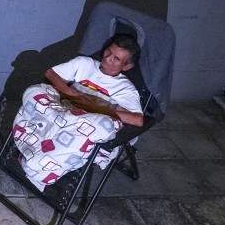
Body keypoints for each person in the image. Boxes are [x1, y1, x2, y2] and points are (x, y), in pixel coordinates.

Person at [12, 34, 143, 190]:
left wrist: (99, 108)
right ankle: (32, 148)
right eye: (109, 51)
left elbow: (138, 120)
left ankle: (36, 165)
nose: (108, 58)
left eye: (116, 59)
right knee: (34, 91)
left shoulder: (125, 89)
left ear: (127, 66)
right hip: (66, 110)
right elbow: (51, 73)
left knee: (102, 125)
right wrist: (71, 92)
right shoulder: (85, 64)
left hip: (87, 123)